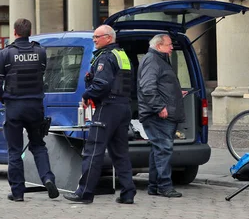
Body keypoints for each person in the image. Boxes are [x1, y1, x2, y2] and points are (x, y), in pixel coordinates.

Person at [63, 25, 137, 204]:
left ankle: (85, 192)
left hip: (107, 108)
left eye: (97, 37)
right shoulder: (123, 55)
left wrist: (87, 94)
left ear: (109, 38)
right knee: (120, 153)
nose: (94, 40)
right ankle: (128, 192)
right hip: (122, 107)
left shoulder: (106, 57)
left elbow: (102, 84)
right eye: (94, 37)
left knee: (93, 150)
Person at [0, 18, 58, 202]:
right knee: (38, 145)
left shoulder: (6, 54)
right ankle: (48, 178)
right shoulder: (40, 51)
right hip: (35, 107)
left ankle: (17, 193)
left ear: (15, 32)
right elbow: (41, 74)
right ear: (29, 32)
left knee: (15, 150)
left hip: (14, 106)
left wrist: (4, 99)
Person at [137, 34, 186, 198]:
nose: (172, 47)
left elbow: (160, 85)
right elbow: (147, 87)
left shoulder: (160, 59)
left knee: (158, 150)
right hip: (157, 115)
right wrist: (159, 107)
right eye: (169, 45)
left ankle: (154, 186)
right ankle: (164, 186)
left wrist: (176, 93)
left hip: (163, 113)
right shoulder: (152, 60)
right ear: (159, 46)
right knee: (163, 149)